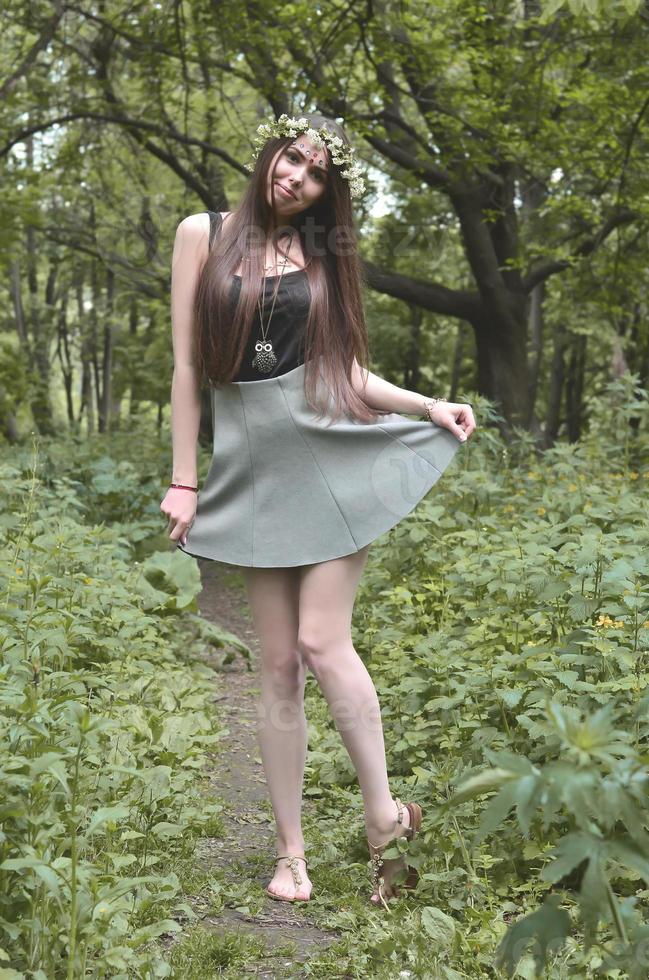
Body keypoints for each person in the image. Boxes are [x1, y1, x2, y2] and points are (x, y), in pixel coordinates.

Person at [160, 112, 476, 911]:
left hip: (331, 457)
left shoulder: (319, 260)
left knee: (318, 642)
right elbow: (187, 367)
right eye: (291, 158)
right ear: (270, 149)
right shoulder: (201, 232)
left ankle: (382, 822)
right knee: (273, 669)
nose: (295, 177)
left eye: (314, 175)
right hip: (253, 472)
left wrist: (429, 402)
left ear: (323, 196)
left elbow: (346, 373)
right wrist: (184, 478)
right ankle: (291, 855)